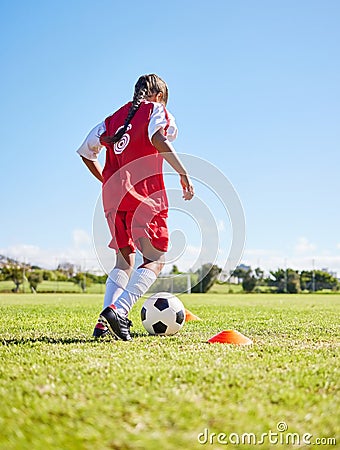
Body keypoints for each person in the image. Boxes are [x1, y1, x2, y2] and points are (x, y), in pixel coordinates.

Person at [76, 74, 194, 341]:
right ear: (160, 96)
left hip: (112, 197)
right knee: (155, 259)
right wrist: (182, 172)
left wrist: (107, 180)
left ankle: (103, 322)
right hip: (145, 196)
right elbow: (157, 138)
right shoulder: (156, 109)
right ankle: (120, 310)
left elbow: (85, 151)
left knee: (124, 260)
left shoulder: (111, 121)